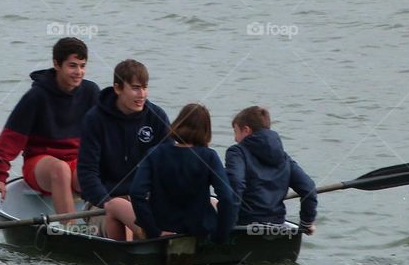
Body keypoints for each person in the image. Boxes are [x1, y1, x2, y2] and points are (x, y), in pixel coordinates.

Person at [0, 37, 99, 217]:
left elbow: (107, 133)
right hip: (41, 165)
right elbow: (10, 140)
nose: (79, 72)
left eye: (82, 66)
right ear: (56, 64)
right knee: (60, 169)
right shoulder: (36, 97)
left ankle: (104, 227)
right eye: (72, 66)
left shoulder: (91, 92)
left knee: (95, 169)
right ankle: (68, 230)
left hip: (75, 160)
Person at [78, 59, 171, 241]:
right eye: (136, 88)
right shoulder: (94, 120)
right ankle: (138, 251)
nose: (142, 94)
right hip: (102, 203)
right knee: (120, 212)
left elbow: (170, 165)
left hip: (145, 200)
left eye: (145, 88)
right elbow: (87, 174)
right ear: (118, 88)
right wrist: (107, 203)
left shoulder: (157, 117)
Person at [129, 103, 237, 243]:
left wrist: (154, 231)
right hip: (199, 233)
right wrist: (220, 237)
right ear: (206, 130)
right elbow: (227, 198)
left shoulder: (155, 153)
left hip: (162, 231)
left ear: (178, 123)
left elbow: (136, 193)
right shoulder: (209, 157)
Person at [225, 106, 317, 234]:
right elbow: (309, 188)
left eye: (236, 132)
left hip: (245, 226)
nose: (235, 139)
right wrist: (306, 223)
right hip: (277, 225)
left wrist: (229, 224)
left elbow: (236, 185)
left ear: (246, 130)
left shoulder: (237, 152)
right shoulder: (283, 157)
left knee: (212, 202)